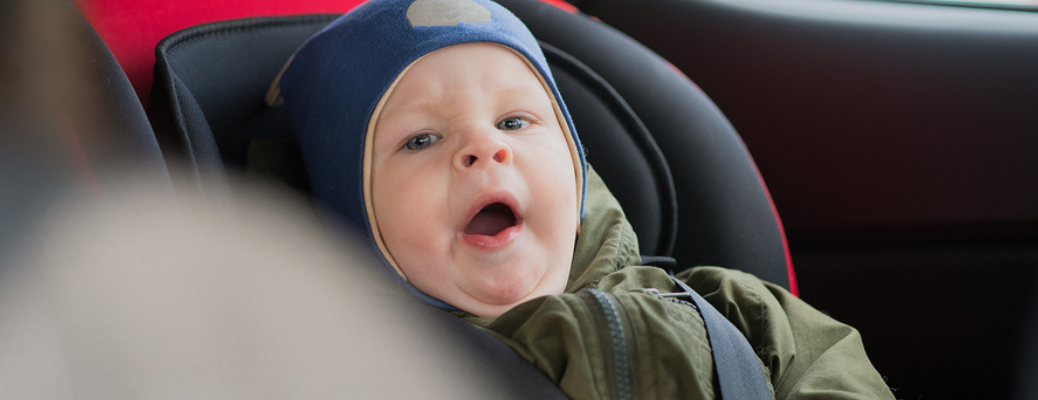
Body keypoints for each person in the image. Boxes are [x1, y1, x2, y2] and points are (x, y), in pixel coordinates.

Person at [270, 0, 897, 398]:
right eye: (422, 139)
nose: (484, 149)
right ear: (351, 216)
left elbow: (835, 371)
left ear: (576, 170)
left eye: (514, 122)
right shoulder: (369, 372)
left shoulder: (727, 306)